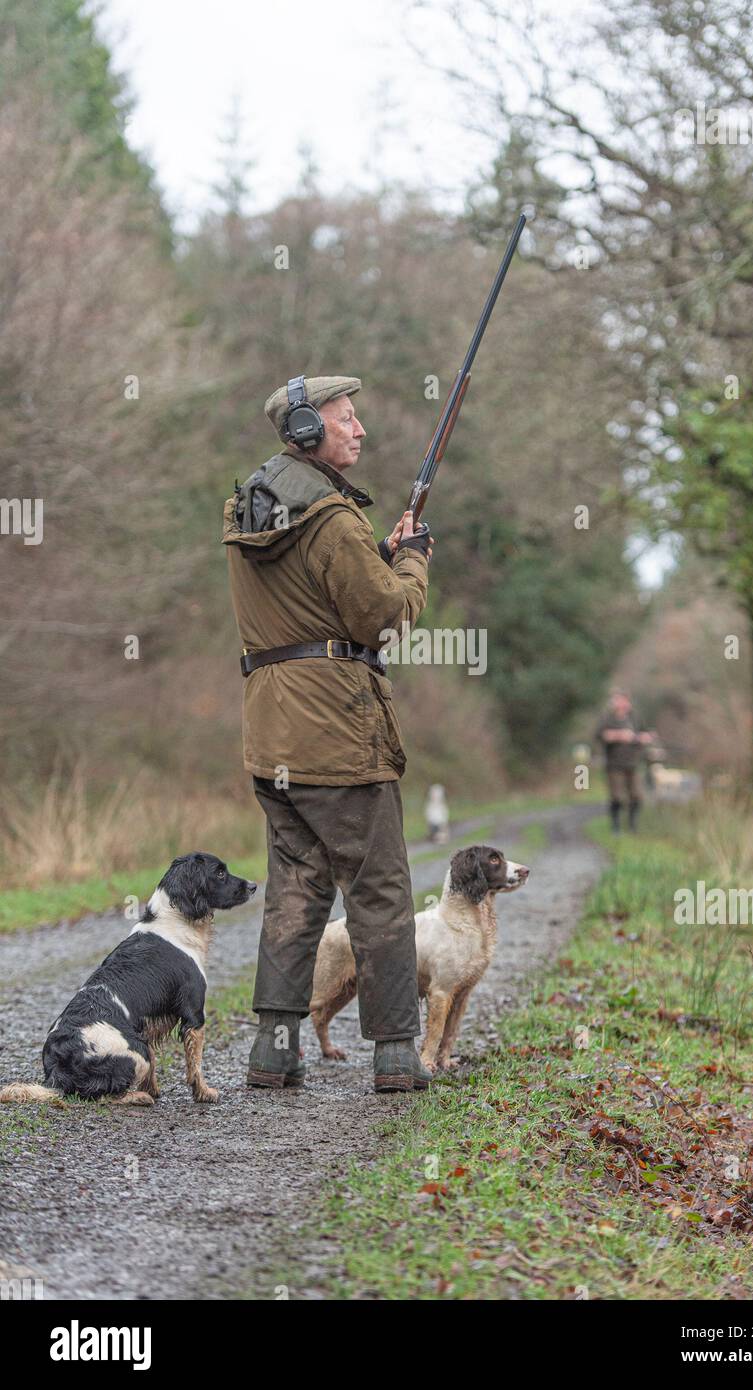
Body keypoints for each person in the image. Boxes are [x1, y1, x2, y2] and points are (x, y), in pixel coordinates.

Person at [223, 374, 433, 1094]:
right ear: (307, 429)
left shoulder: (250, 508)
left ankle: (273, 1052)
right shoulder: (334, 520)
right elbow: (378, 620)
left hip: (272, 733)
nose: (361, 429)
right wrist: (411, 560)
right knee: (378, 889)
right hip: (339, 735)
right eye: (348, 419)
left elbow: (311, 599)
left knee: (296, 887)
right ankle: (399, 1053)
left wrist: (373, 550)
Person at [594, 691, 655, 833]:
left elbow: (646, 733)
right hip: (615, 764)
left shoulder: (635, 718)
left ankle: (632, 824)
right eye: (620, 701)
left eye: (625, 701)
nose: (623, 704)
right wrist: (619, 735)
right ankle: (615, 825)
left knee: (637, 796)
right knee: (617, 796)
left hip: (633, 763)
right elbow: (600, 735)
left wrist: (645, 737)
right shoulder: (608, 718)